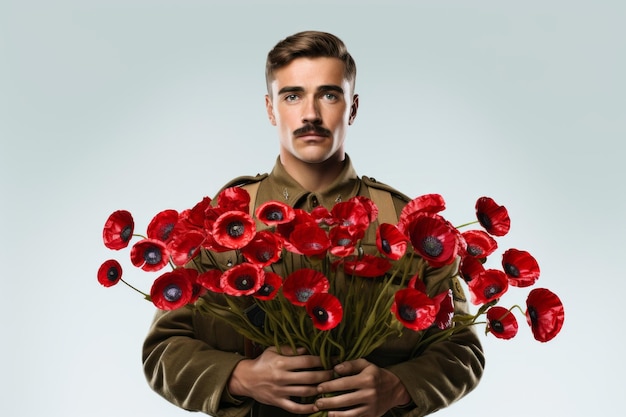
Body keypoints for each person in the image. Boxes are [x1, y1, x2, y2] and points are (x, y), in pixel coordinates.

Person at [143, 30, 484, 417]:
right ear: (271, 109)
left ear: (352, 108)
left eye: (328, 94)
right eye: (292, 95)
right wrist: (239, 377)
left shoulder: (403, 221)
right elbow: (163, 352)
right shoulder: (226, 218)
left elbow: (463, 348)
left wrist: (398, 386)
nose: (311, 114)